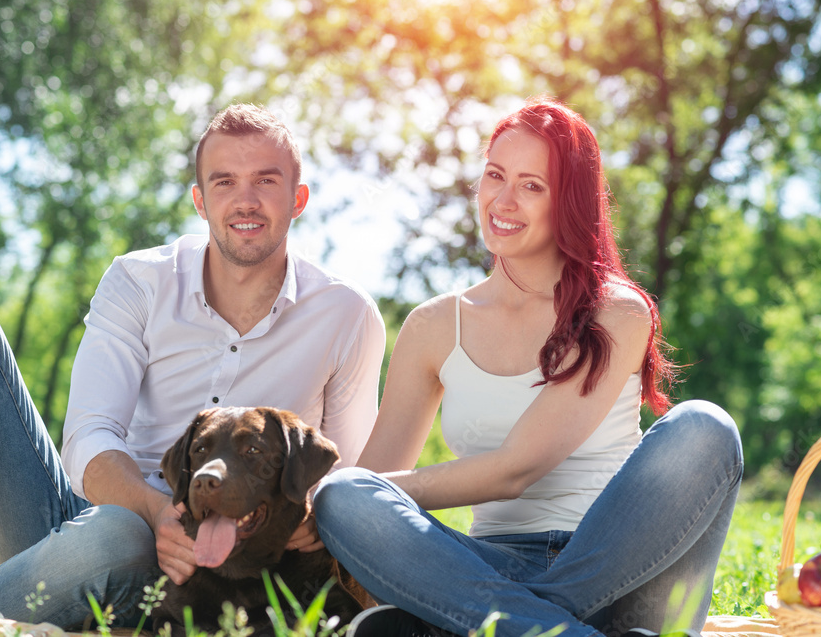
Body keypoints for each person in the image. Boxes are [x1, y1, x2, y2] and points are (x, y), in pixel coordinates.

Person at [0, 103, 386, 629]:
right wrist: (158, 513)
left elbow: (352, 477)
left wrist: (306, 511)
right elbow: (89, 437)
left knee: (118, 534)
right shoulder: (139, 281)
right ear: (200, 201)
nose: (244, 201)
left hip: (229, 560)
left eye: (265, 181)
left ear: (297, 199)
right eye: (224, 182)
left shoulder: (347, 314)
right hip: (83, 525)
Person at [313, 97, 743, 637]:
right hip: (486, 569)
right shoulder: (433, 326)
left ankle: (493, 624)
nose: (504, 199)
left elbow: (517, 469)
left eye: (532, 185)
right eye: (495, 175)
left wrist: (392, 495)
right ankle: (539, 624)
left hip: (628, 573)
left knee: (705, 427)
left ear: (569, 202)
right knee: (343, 495)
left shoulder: (616, 311)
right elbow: (369, 484)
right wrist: (345, 501)